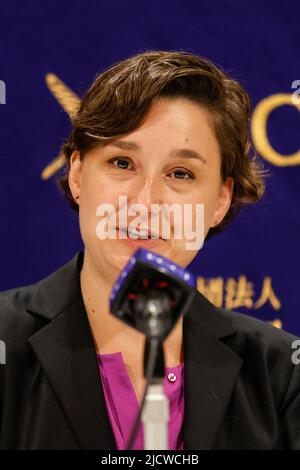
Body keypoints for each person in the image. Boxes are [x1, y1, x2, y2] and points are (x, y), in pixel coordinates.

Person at [0, 50, 299, 450]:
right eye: (122, 163)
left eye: (181, 173)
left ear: (220, 202)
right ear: (76, 173)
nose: (145, 202)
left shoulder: (280, 373)